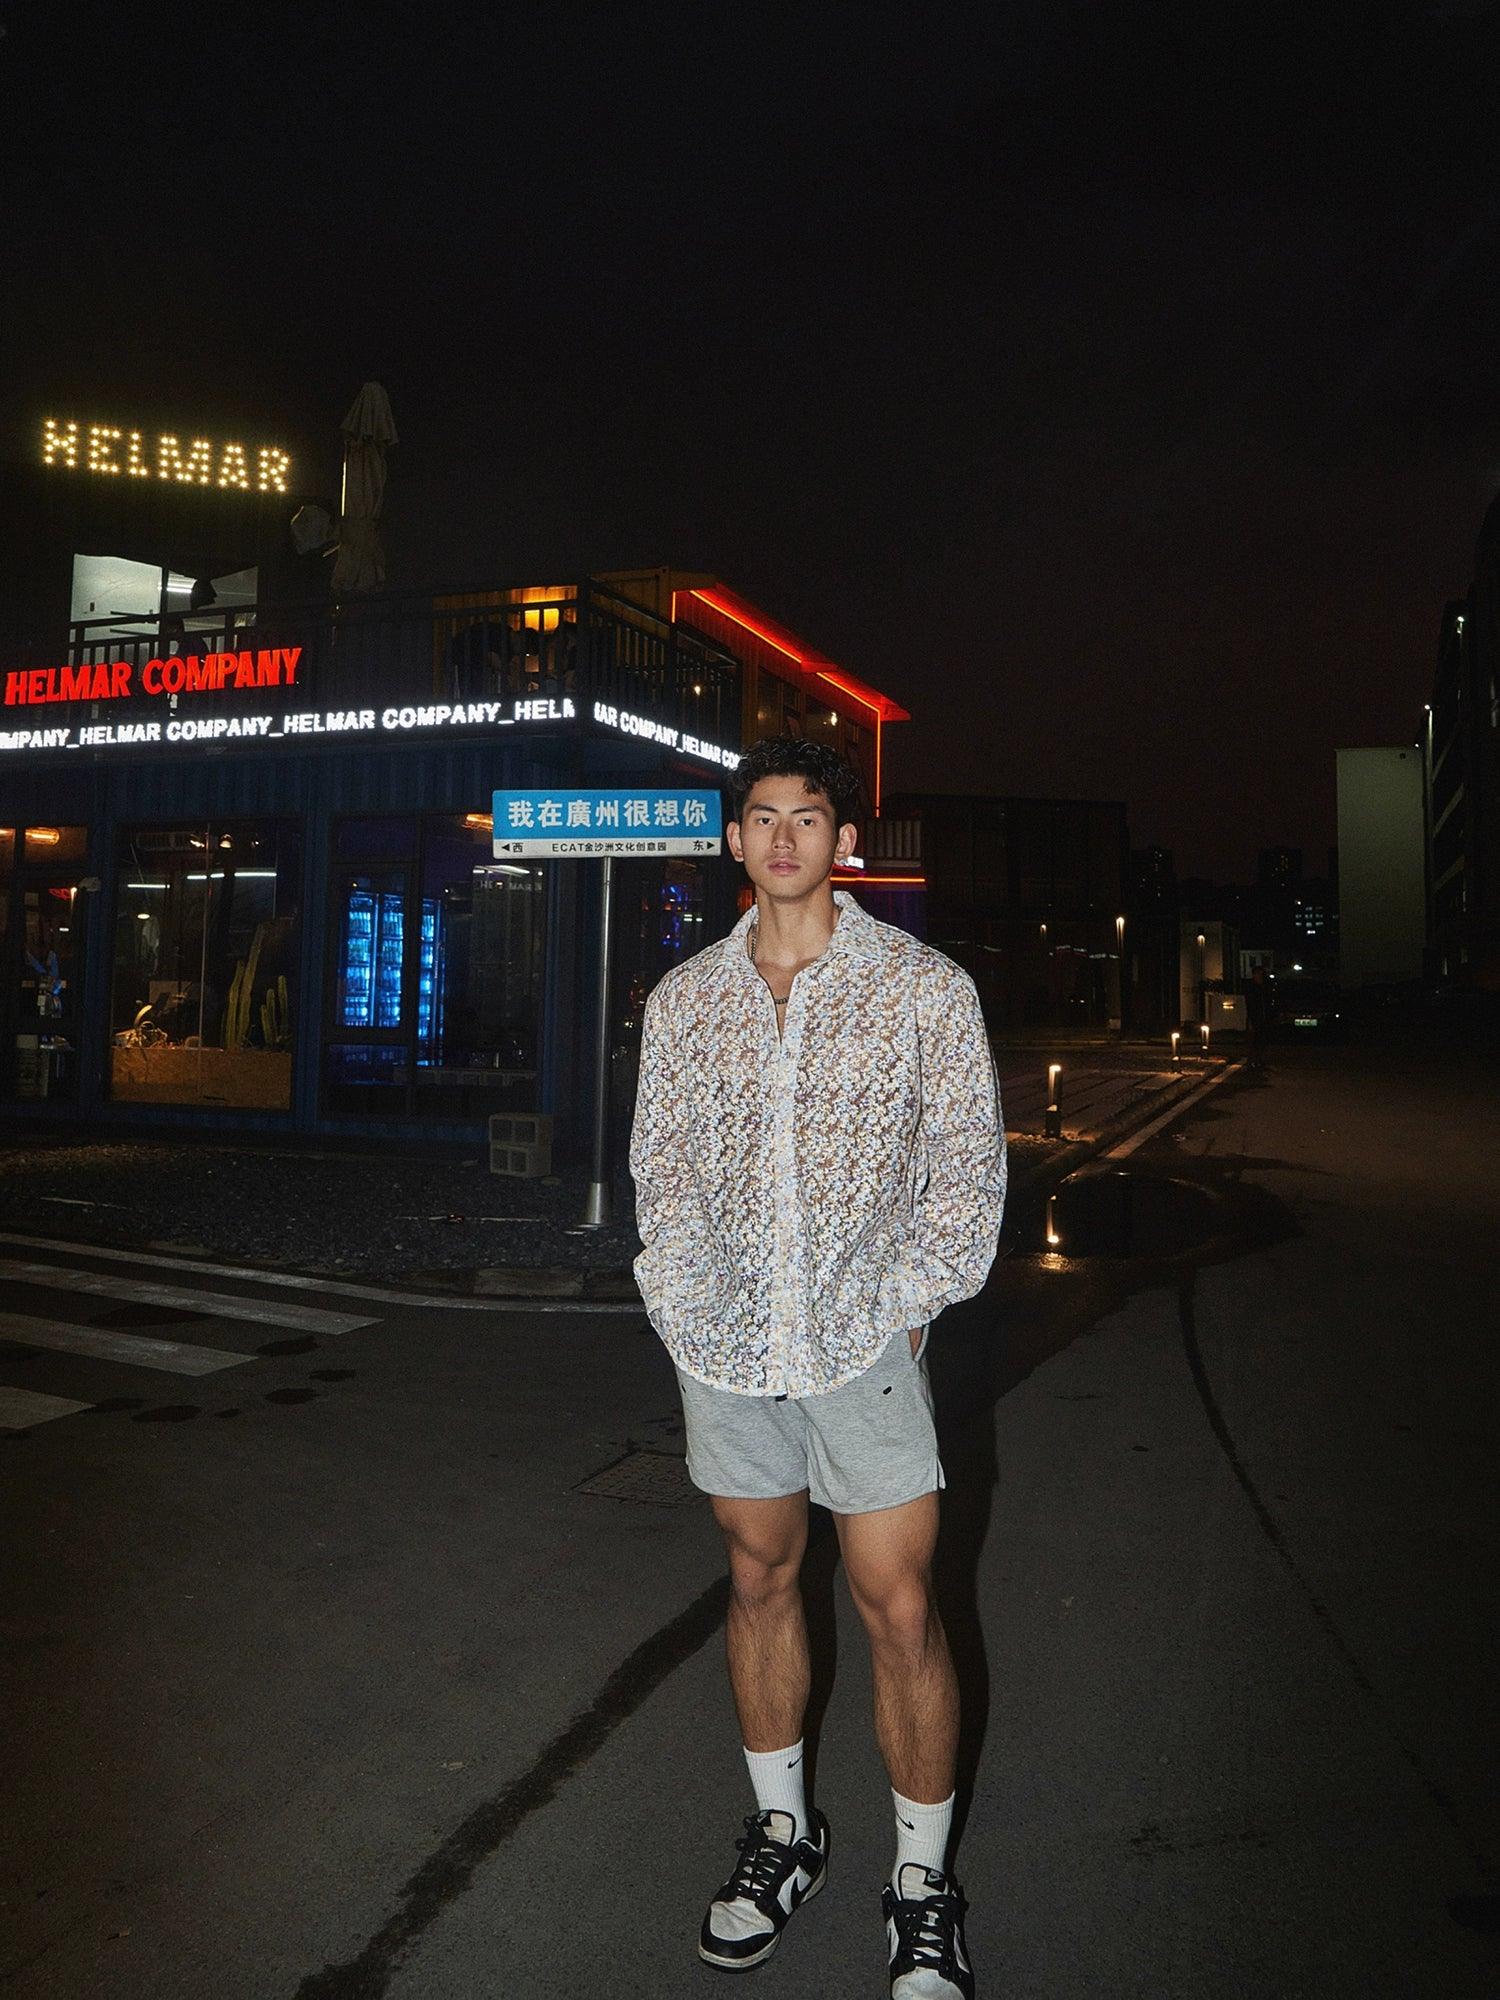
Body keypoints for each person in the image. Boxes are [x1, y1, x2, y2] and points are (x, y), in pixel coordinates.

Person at [630, 737, 1006, 1997]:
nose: (783, 836)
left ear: (842, 841)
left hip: (863, 1343)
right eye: (761, 815)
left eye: (807, 816)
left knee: (900, 1605)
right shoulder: (685, 999)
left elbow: (969, 1169)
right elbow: (661, 1174)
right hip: (727, 1345)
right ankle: (784, 1836)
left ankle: (923, 1886)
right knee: (757, 1575)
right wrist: (685, 1302)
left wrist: (909, 1302)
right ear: (734, 838)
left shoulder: (923, 987)